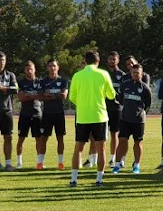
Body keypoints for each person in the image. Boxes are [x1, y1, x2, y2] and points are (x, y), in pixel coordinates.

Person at [68, 50, 116, 187]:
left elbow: (72, 97)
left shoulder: (77, 76)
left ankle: (74, 179)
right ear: (98, 61)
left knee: (78, 148)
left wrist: (83, 104)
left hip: (83, 117)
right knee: (101, 148)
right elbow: (111, 95)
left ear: (85, 61)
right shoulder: (104, 74)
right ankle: (99, 180)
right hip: (99, 116)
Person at [112, 64, 152, 174]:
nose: (135, 74)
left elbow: (148, 104)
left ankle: (136, 165)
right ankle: (117, 165)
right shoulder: (124, 85)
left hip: (138, 120)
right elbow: (120, 100)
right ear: (131, 73)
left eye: (137, 73)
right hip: (125, 118)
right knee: (122, 141)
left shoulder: (145, 88)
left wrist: (141, 113)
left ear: (141, 74)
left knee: (138, 142)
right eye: (133, 72)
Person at [0, 51, 18, 171]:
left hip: (7, 110)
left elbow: (15, 89)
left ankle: (8, 163)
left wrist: (4, 88)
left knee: (8, 137)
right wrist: (1, 90)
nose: (2, 63)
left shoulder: (10, 75)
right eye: (0, 60)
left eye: (4, 60)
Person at [39, 59, 69, 169]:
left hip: (59, 113)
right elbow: (41, 96)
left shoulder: (63, 81)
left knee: (60, 138)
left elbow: (64, 96)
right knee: (44, 138)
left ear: (58, 67)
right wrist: (56, 95)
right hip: (47, 113)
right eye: (50, 66)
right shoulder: (43, 81)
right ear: (47, 68)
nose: (52, 68)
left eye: (54, 66)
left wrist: (50, 95)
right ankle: (40, 163)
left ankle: (60, 163)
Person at [16, 61, 43, 169]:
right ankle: (19, 162)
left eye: (31, 68)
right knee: (21, 139)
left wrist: (28, 95)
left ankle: (39, 162)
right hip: (25, 114)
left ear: (34, 69)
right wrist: (34, 95)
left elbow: (41, 96)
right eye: (27, 69)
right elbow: (21, 97)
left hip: (37, 114)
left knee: (39, 139)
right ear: (24, 70)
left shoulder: (40, 82)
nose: (29, 71)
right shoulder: (21, 83)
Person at [105, 51, 126, 167]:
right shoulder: (104, 73)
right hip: (103, 107)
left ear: (118, 60)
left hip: (117, 108)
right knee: (101, 134)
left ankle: (113, 158)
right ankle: (96, 157)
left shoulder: (122, 75)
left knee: (115, 133)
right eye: (110, 59)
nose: (112, 61)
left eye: (114, 59)